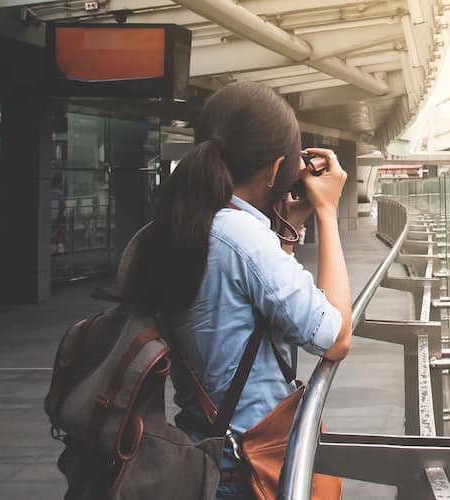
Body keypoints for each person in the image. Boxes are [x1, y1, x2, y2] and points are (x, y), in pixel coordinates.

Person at [124, 82, 352, 500]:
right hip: (247, 469)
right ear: (275, 169)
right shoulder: (238, 236)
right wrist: (327, 211)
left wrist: (292, 220)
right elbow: (335, 337)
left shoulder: (179, 228)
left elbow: (247, 296)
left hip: (209, 451)